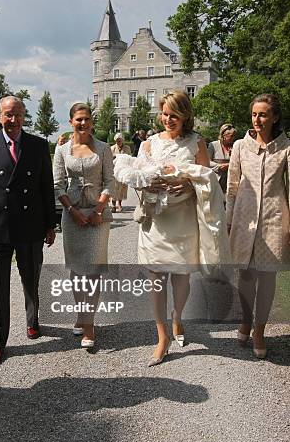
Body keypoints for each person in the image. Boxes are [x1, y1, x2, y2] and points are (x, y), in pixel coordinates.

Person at [116, 91, 224, 365]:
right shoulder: (149, 144)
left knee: (181, 276)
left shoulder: (197, 143)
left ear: (185, 116)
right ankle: (162, 336)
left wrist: (188, 183)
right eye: (164, 113)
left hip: (184, 218)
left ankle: (178, 317)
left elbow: (208, 180)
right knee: (156, 277)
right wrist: (147, 184)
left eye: (173, 115)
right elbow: (137, 178)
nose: (168, 119)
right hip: (156, 221)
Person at [0, 96, 56, 366]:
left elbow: (46, 186)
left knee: (31, 277)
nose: (13, 120)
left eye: (18, 115)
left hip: (31, 224)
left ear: (24, 116)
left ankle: (33, 320)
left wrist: (50, 223)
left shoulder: (37, 145)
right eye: (8, 115)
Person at [226, 94, 290, 359]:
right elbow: (232, 185)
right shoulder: (241, 146)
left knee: (266, 278)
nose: (257, 119)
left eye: (263, 114)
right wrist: (229, 218)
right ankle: (245, 319)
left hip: (274, 220)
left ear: (274, 117)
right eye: (254, 114)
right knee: (246, 276)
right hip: (244, 218)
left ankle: (260, 330)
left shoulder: (286, 148)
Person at [53, 102, 115, 349]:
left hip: (98, 216)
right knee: (78, 271)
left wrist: (99, 209)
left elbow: (110, 181)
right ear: (71, 122)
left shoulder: (102, 148)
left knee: (93, 272)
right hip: (72, 215)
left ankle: (89, 326)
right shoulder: (62, 150)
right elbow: (57, 185)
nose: (83, 123)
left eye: (87, 119)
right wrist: (72, 211)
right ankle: (83, 315)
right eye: (78, 119)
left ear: (91, 121)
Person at [208, 124, 236, 194]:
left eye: (234, 136)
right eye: (231, 136)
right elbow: (207, 161)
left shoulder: (235, 146)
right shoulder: (213, 145)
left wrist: (229, 165)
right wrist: (219, 166)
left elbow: (240, 162)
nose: (232, 138)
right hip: (215, 179)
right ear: (223, 135)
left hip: (230, 181)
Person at [110, 132, 131, 212]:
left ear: (122, 140)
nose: (118, 142)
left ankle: (119, 203)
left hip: (124, 170)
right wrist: (114, 157)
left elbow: (130, 158)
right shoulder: (112, 148)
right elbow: (108, 160)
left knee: (122, 188)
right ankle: (113, 205)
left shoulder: (127, 148)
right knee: (114, 188)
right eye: (117, 140)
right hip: (115, 171)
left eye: (120, 140)